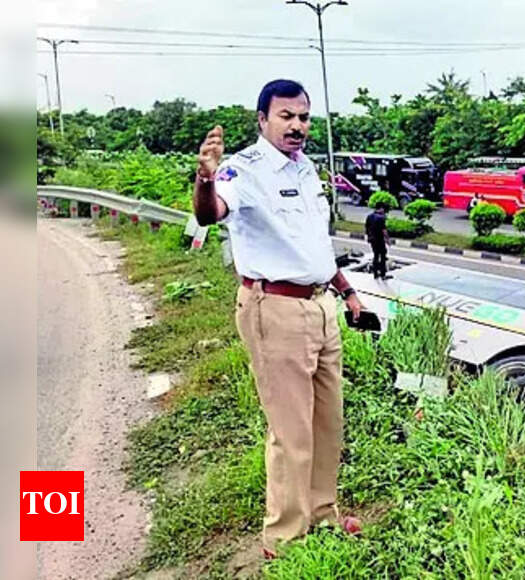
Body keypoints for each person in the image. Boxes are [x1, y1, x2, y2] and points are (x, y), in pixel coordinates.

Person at [191, 79, 365, 558]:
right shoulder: (242, 169)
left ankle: (323, 513)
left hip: (321, 305)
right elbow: (211, 214)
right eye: (286, 116)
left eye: (303, 117)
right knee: (291, 431)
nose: (297, 126)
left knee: (328, 421)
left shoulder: (306, 168)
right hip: (275, 309)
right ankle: (285, 538)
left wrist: (347, 292)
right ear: (263, 119)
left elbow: (313, 244)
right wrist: (205, 178)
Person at [364, 201, 391, 279]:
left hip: (372, 239)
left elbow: (366, 228)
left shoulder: (369, 216)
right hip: (379, 239)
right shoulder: (381, 218)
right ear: (381, 208)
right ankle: (383, 274)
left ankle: (375, 274)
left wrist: (369, 237)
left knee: (376, 256)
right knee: (383, 255)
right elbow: (384, 231)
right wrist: (387, 240)